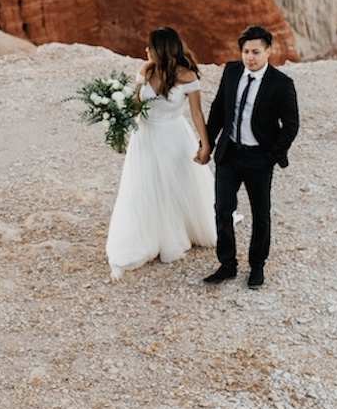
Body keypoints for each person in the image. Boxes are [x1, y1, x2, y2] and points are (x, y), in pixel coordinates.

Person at [104, 27, 217, 277]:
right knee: (144, 185)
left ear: (162, 49)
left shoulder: (188, 76)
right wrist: (116, 117)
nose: (146, 51)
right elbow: (135, 108)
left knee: (172, 186)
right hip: (144, 137)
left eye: (150, 47)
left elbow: (197, 113)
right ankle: (146, 233)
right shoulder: (145, 71)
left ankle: (175, 233)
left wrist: (205, 144)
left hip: (173, 136)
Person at [201, 25, 299, 289]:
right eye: (245, 51)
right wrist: (206, 144)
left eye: (256, 52)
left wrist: (271, 157)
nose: (250, 57)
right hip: (229, 154)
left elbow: (291, 125)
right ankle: (227, 264)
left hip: (259, 159)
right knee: (222, 209)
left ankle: (257, 267)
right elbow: (218, 110)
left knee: (260, 214)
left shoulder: (281, 84)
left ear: (269, 51)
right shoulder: (232, 72)